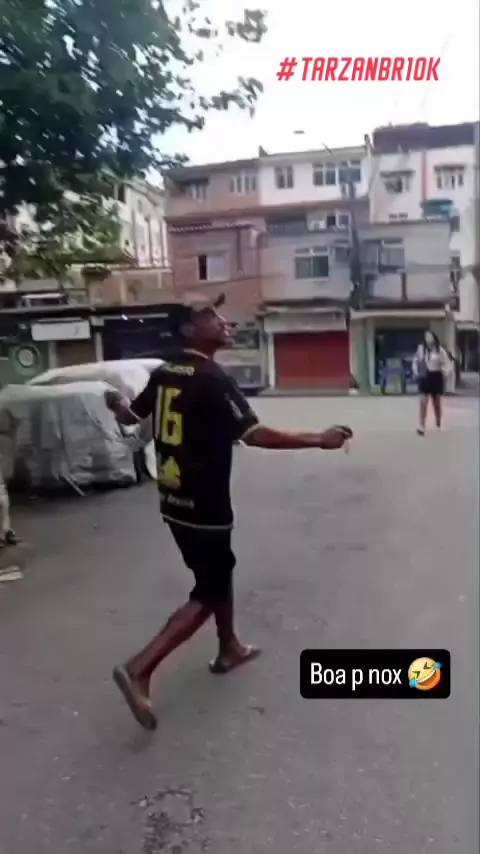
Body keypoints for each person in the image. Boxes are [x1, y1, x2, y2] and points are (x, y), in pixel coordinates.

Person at [105, 294, 353, 731]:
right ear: (187, 329)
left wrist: (116, 405)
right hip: (205, 505)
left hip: (173, 501)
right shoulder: (211, 378)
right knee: (208, 590)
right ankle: (139, 668)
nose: (223, 322)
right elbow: (254, 434)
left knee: (219, 572)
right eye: (210, 316)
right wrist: (319, 438)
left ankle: (229, 647)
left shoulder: (165, 372)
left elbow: (131, 418)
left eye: (220, 314)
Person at [412, 330, 451, 436]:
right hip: (425, 376)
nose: (428, 338)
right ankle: (422, 426)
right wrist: (415, 371)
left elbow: (446, 363)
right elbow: (416, 361)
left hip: (436, 376)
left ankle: (438, 423)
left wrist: (445, 373)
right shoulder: (421, 349)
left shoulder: (440, 350)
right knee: (423, 402)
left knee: (436, 403)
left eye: (429, 336)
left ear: (434, 338)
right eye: (426, 336)